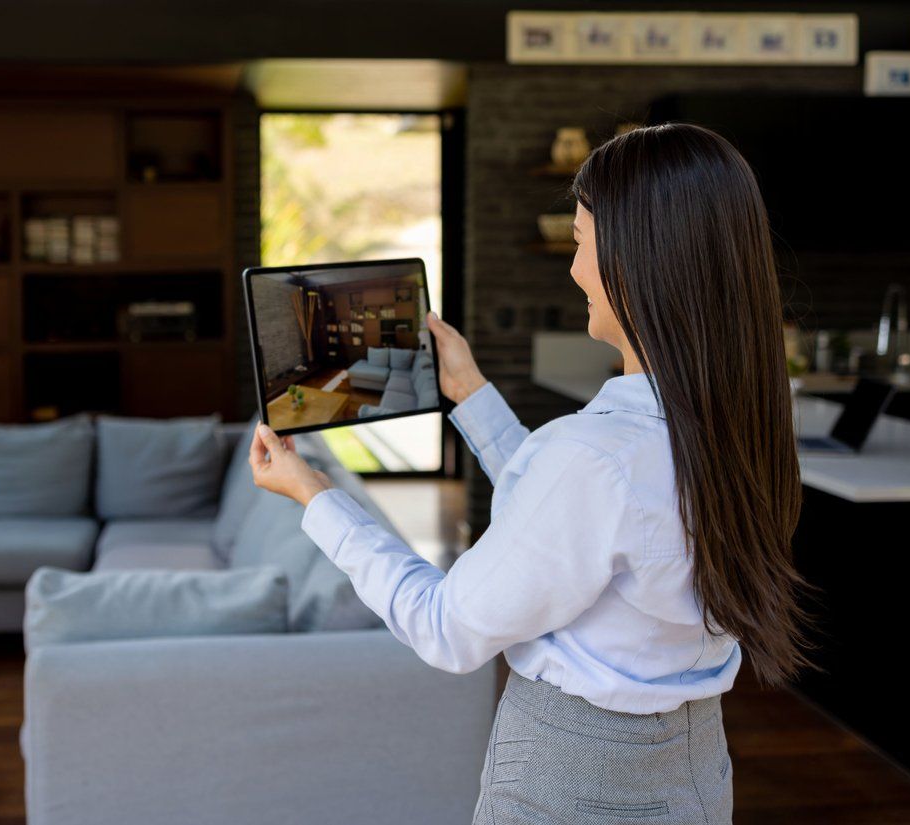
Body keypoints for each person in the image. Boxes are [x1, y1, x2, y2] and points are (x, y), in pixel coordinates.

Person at [248, 122, 810, 825]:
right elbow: (584, 523)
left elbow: (444, 626)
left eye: (580, 239)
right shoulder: (745, 429)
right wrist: (472, 391)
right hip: (696, 768)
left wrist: (314, 493)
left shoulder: (594, 459)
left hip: (572, 783)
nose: (574, 269)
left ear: (636, 261)